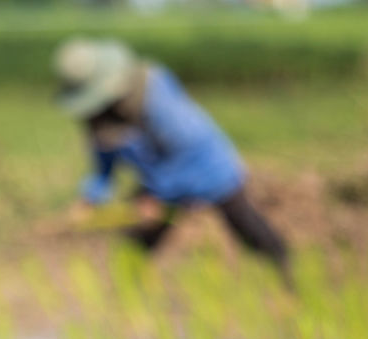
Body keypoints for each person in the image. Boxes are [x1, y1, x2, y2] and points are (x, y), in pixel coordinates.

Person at [54, 37, 292, 287]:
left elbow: (188, 149)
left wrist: (155, 196)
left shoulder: (155, 97)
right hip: (159, 181)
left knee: (248, 228)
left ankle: (289, 277)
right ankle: (127, 300)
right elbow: (104, 164)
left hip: (207, 171)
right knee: (135, 248)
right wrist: (91, 197)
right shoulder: (100, 118)